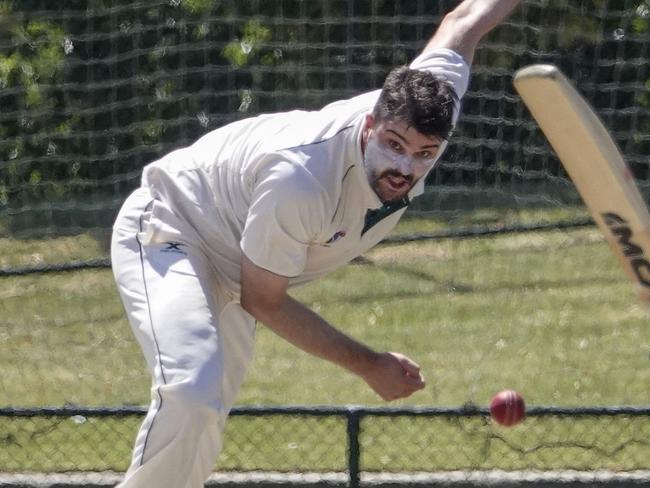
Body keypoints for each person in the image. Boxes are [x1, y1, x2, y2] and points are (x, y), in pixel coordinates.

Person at [110, 0, 521, 486]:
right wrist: (370, 364)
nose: (405, 168)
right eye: (393, 144)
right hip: (172, 227)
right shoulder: (302, 179)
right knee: (191, 390)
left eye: (424, 154)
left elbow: (463, 22)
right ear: (369, 125)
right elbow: (264, 300)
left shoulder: (431, 102)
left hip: (241, 258)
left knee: (202, 419)